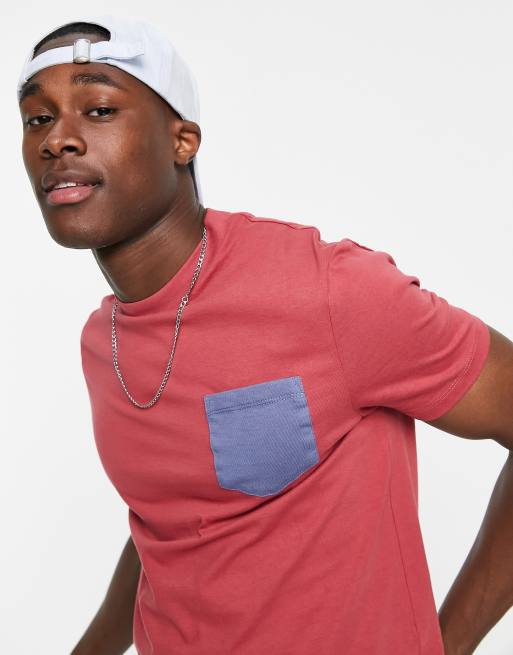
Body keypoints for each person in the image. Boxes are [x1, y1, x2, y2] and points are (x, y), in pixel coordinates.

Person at [17, 13, 513, 655]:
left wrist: (445, 644)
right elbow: (172, 517)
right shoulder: (102, 341)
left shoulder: (328, 291)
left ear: (182, 141)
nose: (58, 140)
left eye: (100, 110)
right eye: (38, 118)